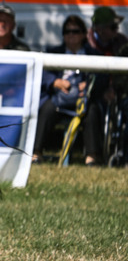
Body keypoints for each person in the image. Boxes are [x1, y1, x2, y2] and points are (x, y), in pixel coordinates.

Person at [33, 15, 103, 164]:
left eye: (75, 31)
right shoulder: (53, 52)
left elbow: (102, 77)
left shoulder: (94, 55)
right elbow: (42, 74)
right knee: (46, 108)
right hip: (59, 97)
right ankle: (36, 153)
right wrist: (55, 82)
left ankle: (91, 157)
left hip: (84, 99)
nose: (71, 34)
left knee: (92, 111)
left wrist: (89, 84)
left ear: (84, 34)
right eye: (67, 31)